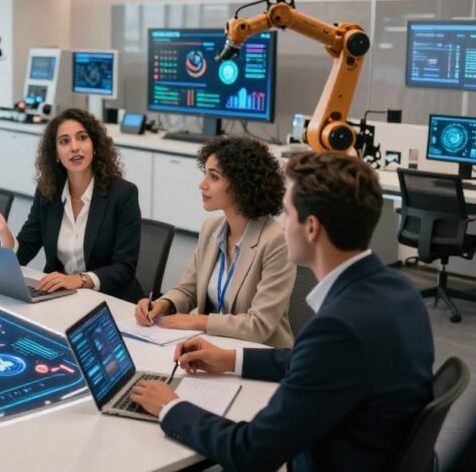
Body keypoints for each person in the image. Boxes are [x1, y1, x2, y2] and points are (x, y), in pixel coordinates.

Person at [130, 152, 434, 472]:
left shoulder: (338, 328)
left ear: (312, 228)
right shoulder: (399, 290)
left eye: (287, 214)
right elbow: (312, 361)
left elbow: (251, 451)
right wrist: (231, 359)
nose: (281, 224)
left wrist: (171, 407)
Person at [0, 108, 144, 302]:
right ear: (56, 153)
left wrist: (79, 280)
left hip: (111, 298)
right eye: (64, 141)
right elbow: (24, 252)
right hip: (64, 297)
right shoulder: (48, 193)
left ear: (94, 145)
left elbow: (124, 267)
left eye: (82, 137)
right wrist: (4, 231)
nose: (74, 147)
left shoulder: (123, 194)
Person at [134, 136, 296, 347]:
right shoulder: (211, 229)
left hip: (260, 355)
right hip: (214, 346)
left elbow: (259, 326)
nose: (202, 184)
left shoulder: (276, 241)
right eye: (205, 174)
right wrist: (164, 305)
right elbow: (187, 290)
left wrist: (196, 321)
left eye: (214, 177)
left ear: (241, 185)